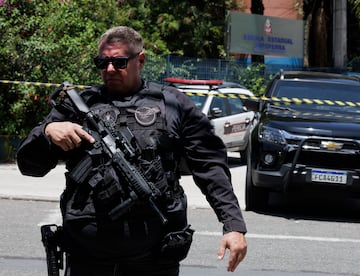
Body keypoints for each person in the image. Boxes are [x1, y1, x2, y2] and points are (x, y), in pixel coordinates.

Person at [16, 26, 247, 275]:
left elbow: (210, 165)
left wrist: (233, 225)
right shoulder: (78, 105)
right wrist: (49, 131)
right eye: (102, 63)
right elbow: (30, 166)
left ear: (141, 60)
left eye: (119, 62)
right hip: (88, 256)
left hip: (153, 257)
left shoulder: (172, 104)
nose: (110, 69)